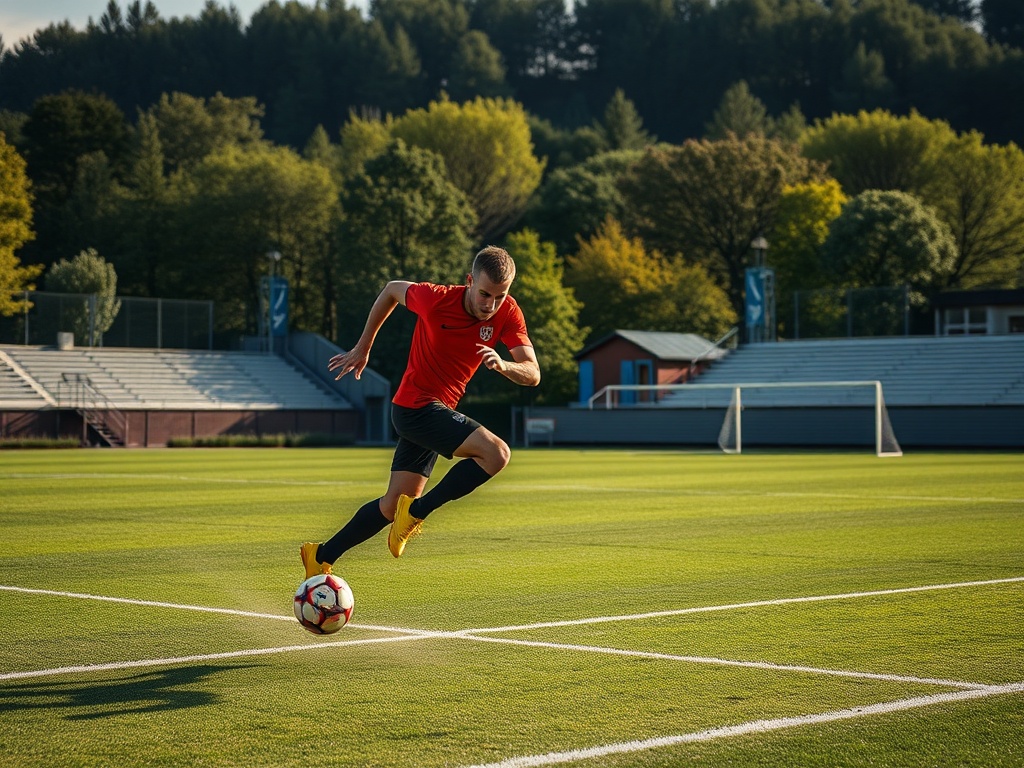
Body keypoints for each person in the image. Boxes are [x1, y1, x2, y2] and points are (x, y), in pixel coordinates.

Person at [300, 245, 540, 578]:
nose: (491, 304)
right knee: (497, 454)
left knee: (390, 505)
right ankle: (417, 512)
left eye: (500, 296)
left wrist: (504, 366)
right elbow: (390, 290)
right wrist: (363, 347)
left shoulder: (508, 312)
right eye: (485, 294)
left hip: (437, 412)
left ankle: (322, 554)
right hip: (415, 408)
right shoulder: (436, 298)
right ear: (470, 281)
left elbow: (533, 372)